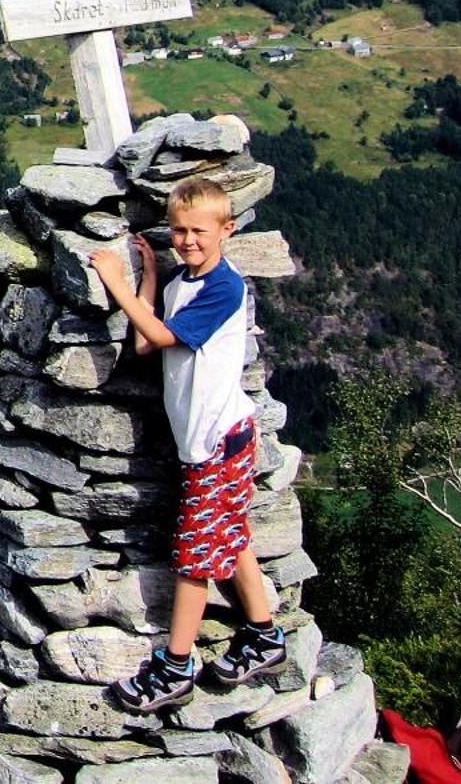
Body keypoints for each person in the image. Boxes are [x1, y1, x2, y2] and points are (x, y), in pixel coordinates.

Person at [86, 176, 288, 712]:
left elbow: (160, 336)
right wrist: (150, 276)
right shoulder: (181, 284)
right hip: (204, 442)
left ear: (227, 229)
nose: (187, 240)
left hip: (218, 442)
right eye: (179, 230)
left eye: (199, 230)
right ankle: (264, 634)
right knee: (232, 533)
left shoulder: (225, 287)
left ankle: (175, 665)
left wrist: (116, 282)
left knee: (195, 554)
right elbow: (143, 343)